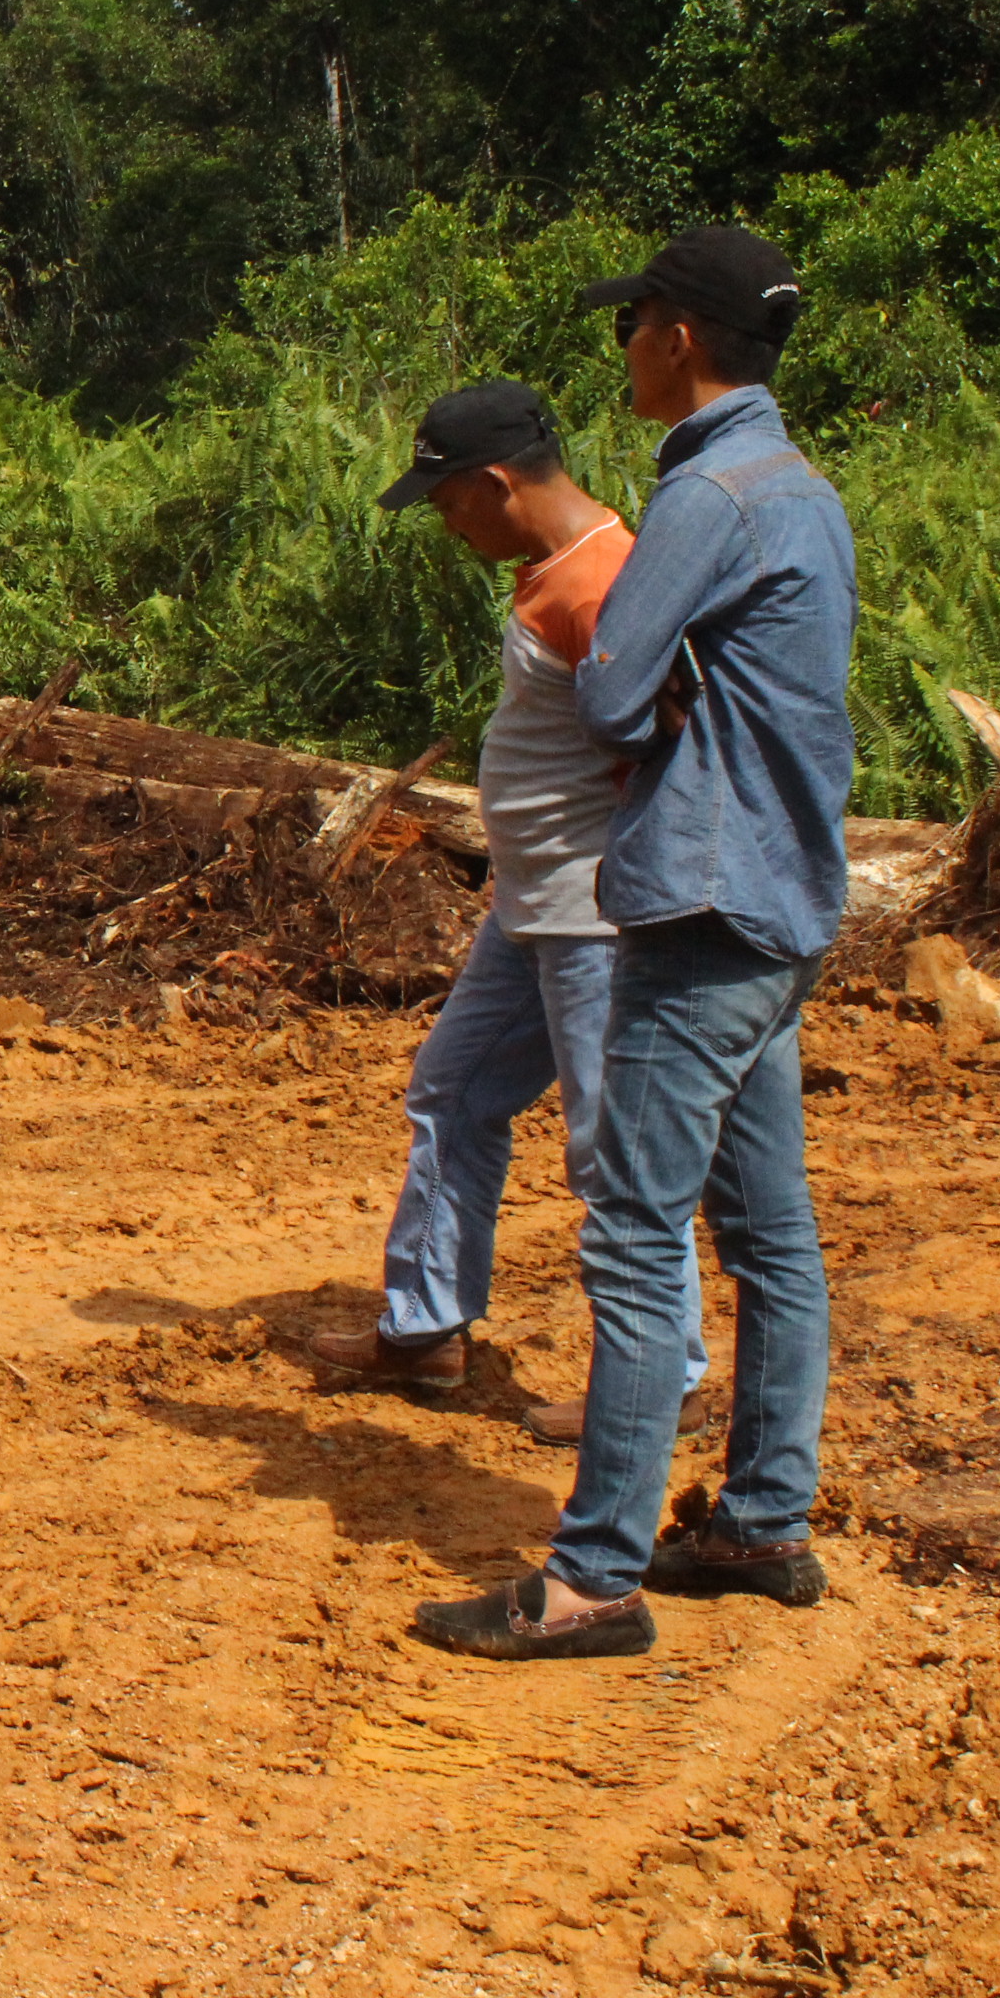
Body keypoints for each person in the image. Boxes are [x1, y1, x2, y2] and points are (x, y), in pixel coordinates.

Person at [418, 227, 853, 1662]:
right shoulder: (800, 488)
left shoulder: (706, 497)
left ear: (678, 337)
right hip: (783, 897)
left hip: (698, 904)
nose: (625, 349)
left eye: (636, 324)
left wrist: (648, 682)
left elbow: (610, 689)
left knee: (634, 1227)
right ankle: (762, 1524)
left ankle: (599, 1572)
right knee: (771, 1238)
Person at [306, 380, 709, 1441]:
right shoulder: (551, 572)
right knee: (452, 1093)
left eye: (447, 502)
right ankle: (426, 1324)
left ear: (495, 483)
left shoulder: (606, 583)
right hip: (531, 909)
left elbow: (668, 748)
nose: (445, 524)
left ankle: (653, 1381)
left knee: (613, 1151)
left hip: (594, 921)